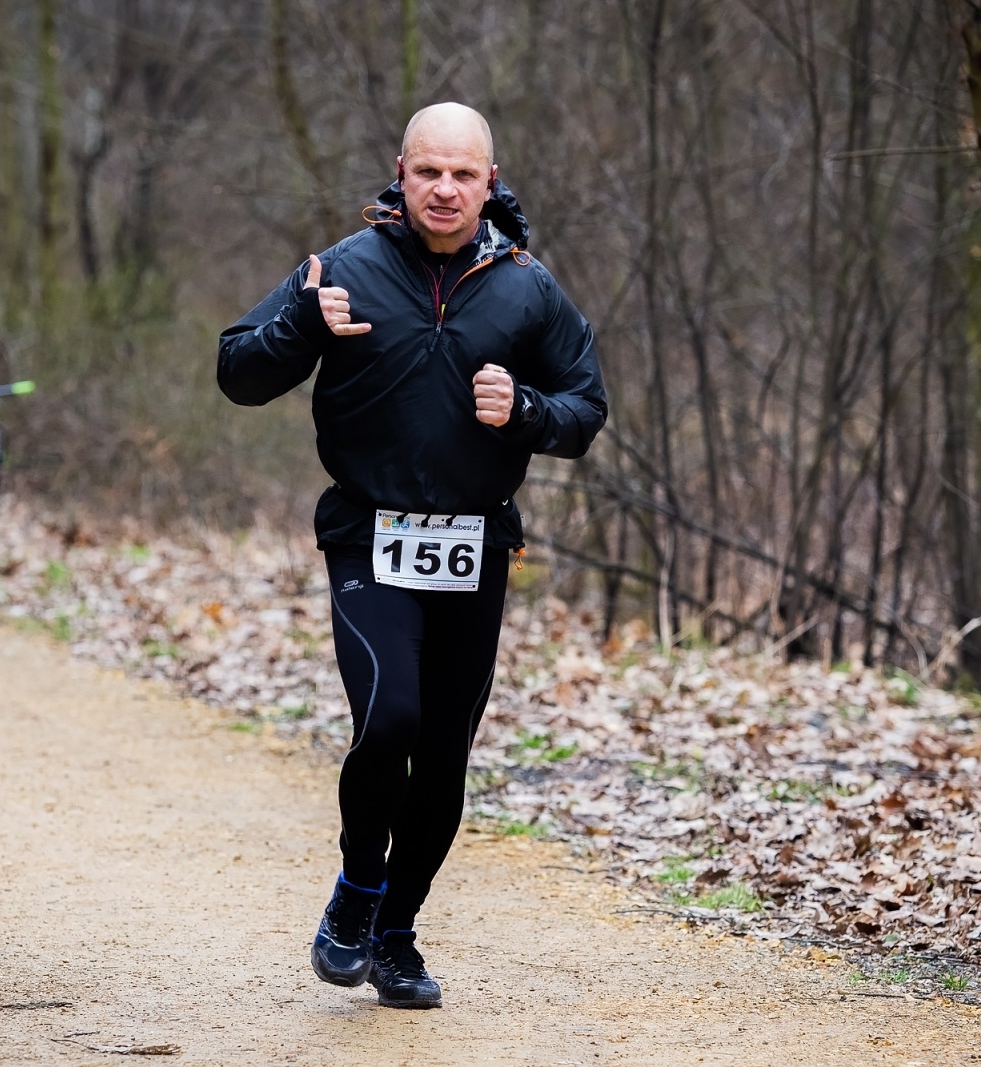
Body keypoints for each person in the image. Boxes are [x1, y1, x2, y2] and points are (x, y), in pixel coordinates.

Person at [218, 102, 607, 1009]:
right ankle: (358, 888)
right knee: (390, 714)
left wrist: (527, 410)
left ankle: (396, 933)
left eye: (463, 174)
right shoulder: (341, 270)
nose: (444, 189)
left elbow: (585, 409)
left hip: (476, 544)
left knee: (442, 757)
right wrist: (302, 325)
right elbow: (238, 372)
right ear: (400, 172)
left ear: (490, 182)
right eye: (428, 170)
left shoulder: (527, 288)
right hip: (368, 533)